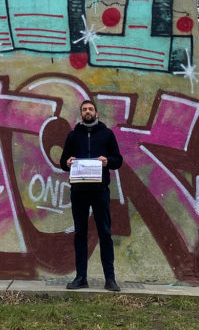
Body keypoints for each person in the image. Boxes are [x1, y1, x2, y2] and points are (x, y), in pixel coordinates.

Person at [59, 98, 123, 291]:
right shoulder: (72, 136)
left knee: (105, 233)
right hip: (78, 191)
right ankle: (81, 277)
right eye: (84, 109)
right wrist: (68, 162)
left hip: (100, 191)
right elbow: (63, 162)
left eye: (91, 109)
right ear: (81, 114)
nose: (88, 112)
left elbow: (118, 160)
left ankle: (110, 279)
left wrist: (107, 161)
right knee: (80, 234)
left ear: (97, 114)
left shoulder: (107, 134)